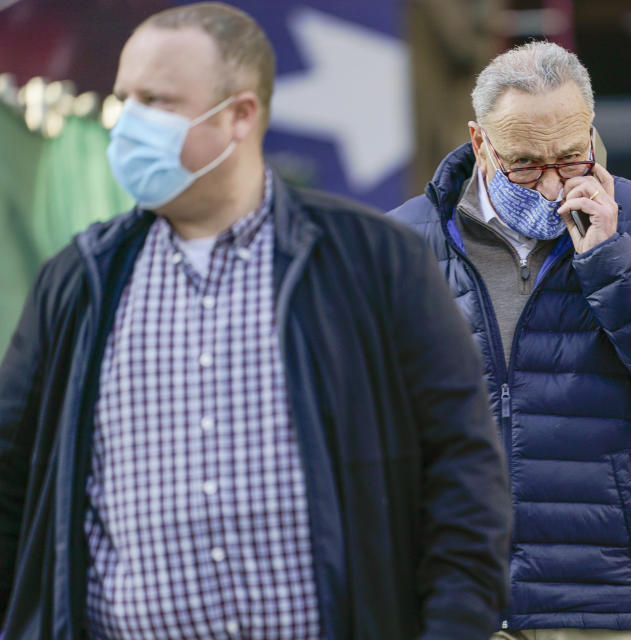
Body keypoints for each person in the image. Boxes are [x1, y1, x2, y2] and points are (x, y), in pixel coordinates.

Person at [0, 4, 511, 639]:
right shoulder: (80, 282)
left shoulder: (374, 263)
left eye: (156, 101)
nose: (127, 124)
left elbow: (464, 476)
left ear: (240, 115)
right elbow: (10, 482)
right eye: (124, 97)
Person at [389, 41, 631, 639]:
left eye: (572, 158)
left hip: (610, 601)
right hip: (448, 599)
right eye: (525, 164)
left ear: (590, 132)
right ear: (480, 143)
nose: (552, 185)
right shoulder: (401, 243)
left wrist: (613, 263)